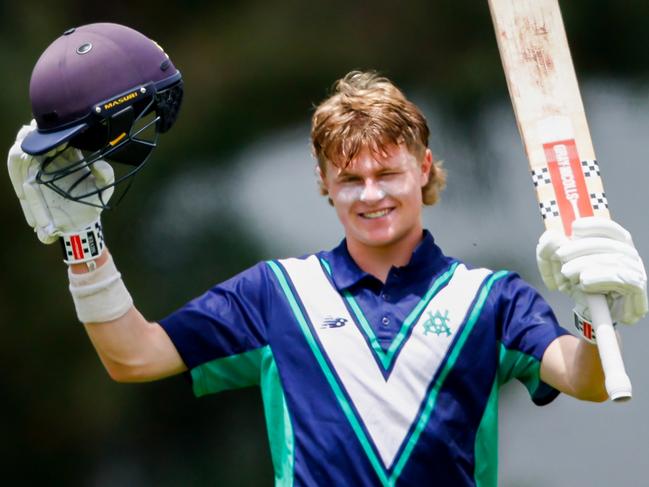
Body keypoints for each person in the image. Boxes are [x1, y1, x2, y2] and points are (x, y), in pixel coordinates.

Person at [8, 25, 648, 487]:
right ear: (324, 183)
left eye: (387, 173)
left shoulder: (492, 299)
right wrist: (80, 241)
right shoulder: (274, 294)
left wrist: (595, 312)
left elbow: (587, 378)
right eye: (349, 179)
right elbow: (133, 357)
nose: (371, 195)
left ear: (423, 169)